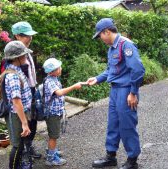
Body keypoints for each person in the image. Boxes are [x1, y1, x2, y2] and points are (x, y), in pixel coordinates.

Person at [87, 18, 145, 169]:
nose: (100, 38)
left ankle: (132, 161)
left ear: (107, 32)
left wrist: (133, 92)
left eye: (100, 35)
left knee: (127, 125)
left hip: (126, 90)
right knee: (113, 124)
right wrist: (97, 79)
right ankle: (110, 156)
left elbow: (138, 70)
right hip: (115, 90)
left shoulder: (126, 45)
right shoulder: (112, 48)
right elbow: (110, 70)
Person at [1, 21, 42, 158]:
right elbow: (7, 85)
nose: (30, 38)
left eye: (31, 35)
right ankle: (23, 150)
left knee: (33, 121)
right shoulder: (11, 59)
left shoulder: (26, 53)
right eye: (27, 36)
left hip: (31, 91)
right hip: (20, 97)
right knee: (23, 125)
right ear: (17, 36)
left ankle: (28, 147)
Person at [42, 58, 84, 166]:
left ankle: (52, 150)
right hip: (52, 114)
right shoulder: (50, 81)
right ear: (51, 71)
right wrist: (74, 86)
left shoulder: (55, 79)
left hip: (56, 112)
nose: (61, 69)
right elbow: (59, 93)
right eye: (58, 68)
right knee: (54, 136)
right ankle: (51, 158)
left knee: (54, 135)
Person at [2, 40, 33, 169]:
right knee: (17, 145)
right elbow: (16, 101)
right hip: (16, 115)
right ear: (18, 58)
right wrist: (24, 123)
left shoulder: (17, 70)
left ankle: (19, 164)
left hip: (21, 113)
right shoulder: (13, 76)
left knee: (21, 143)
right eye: (24, 55)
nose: (26, 57)